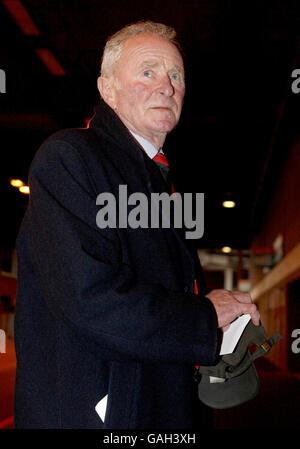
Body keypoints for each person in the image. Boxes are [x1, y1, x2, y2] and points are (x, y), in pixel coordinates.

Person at [14, 20, 259, 429]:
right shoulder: (69, 158)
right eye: (148, 71)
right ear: (107, 89)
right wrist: (201, 316)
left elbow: (152, 292)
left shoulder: (157, 179)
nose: (166, 86)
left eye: (176, 75)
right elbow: (90, 298)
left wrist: (212, 309)